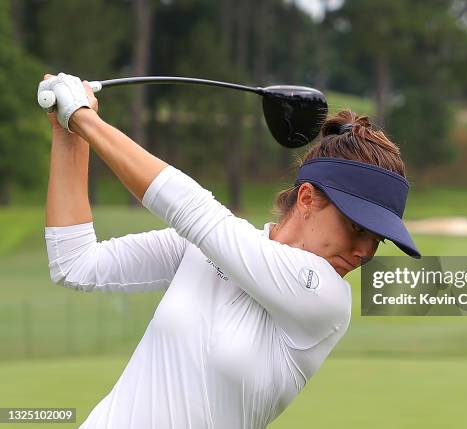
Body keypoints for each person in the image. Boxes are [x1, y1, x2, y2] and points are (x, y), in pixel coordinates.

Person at [40, 73, 420, 428]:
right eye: (357, 227)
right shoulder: (210, 246)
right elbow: (76, 264)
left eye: (377, 238)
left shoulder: (326, 297)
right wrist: (66, 132)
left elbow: (197, 214)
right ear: (307, 198)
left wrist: (83, 118)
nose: (365, 252)